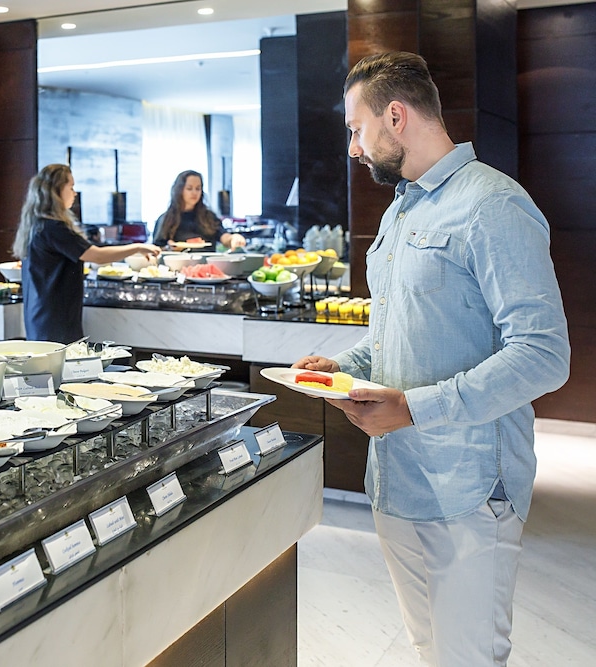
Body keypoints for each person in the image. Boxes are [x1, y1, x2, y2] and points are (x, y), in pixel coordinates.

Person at [292, 52, 569, 666]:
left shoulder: (492, 204)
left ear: (396, 116)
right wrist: (343, 368)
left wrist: (414, 409)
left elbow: (544, 355)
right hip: (397, 480)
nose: (352, 148)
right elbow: (394, 333)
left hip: (470, 488)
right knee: (429, 651)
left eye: (356, 129)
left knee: (468, 657)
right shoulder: (401, 209)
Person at [12, 164, 160, 343]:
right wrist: (137, 247)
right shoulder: (54, 227)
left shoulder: (37, 224)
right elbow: (96, 256)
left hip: (41, 313)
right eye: (71, 187)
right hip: (54, 317)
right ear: (57, 190)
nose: (75, 193)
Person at [151, 170, 246, 249]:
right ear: (179, 190)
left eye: (198, 188)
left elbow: (223, 236)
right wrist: (169, 248)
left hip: (208, 263)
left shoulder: (209, 217)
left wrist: (233, 238)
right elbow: (157, 249)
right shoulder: (166, 219)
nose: (194, 193)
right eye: (189, 188)